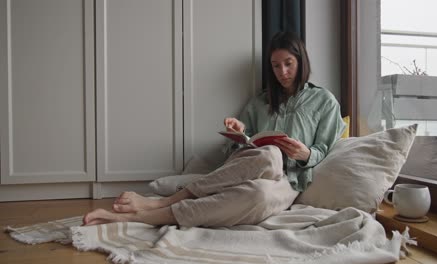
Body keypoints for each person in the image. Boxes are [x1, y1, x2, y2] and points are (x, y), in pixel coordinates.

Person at [83, 32, 346, 227]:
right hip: (253, 166)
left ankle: (142, 218)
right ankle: (164, 201)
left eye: (288, 63)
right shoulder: (259, 101)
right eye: (276, 66)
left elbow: (322, 149)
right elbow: (239, 148)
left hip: (289, 181)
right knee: (270, 155)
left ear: (301, 60)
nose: (282, 71)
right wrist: (240, 131)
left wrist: (304, 154)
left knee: (260, 195)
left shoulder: (324, 101)